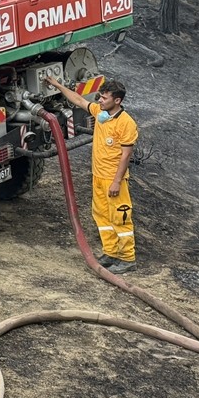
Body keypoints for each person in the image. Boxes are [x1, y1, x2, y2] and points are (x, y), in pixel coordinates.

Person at [44, 75, 138, 273]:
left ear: (117, 100)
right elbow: (78, 100)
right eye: (100, 97)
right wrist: (58, 85)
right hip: (98, 176)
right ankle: (110, 252)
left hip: (113, 179)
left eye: (104, 98)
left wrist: (116, 182)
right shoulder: (100, 113)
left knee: (120, 217)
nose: (100, 101)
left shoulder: (126, 124)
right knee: (102, 215)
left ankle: (128, 258)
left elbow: (125, 155)